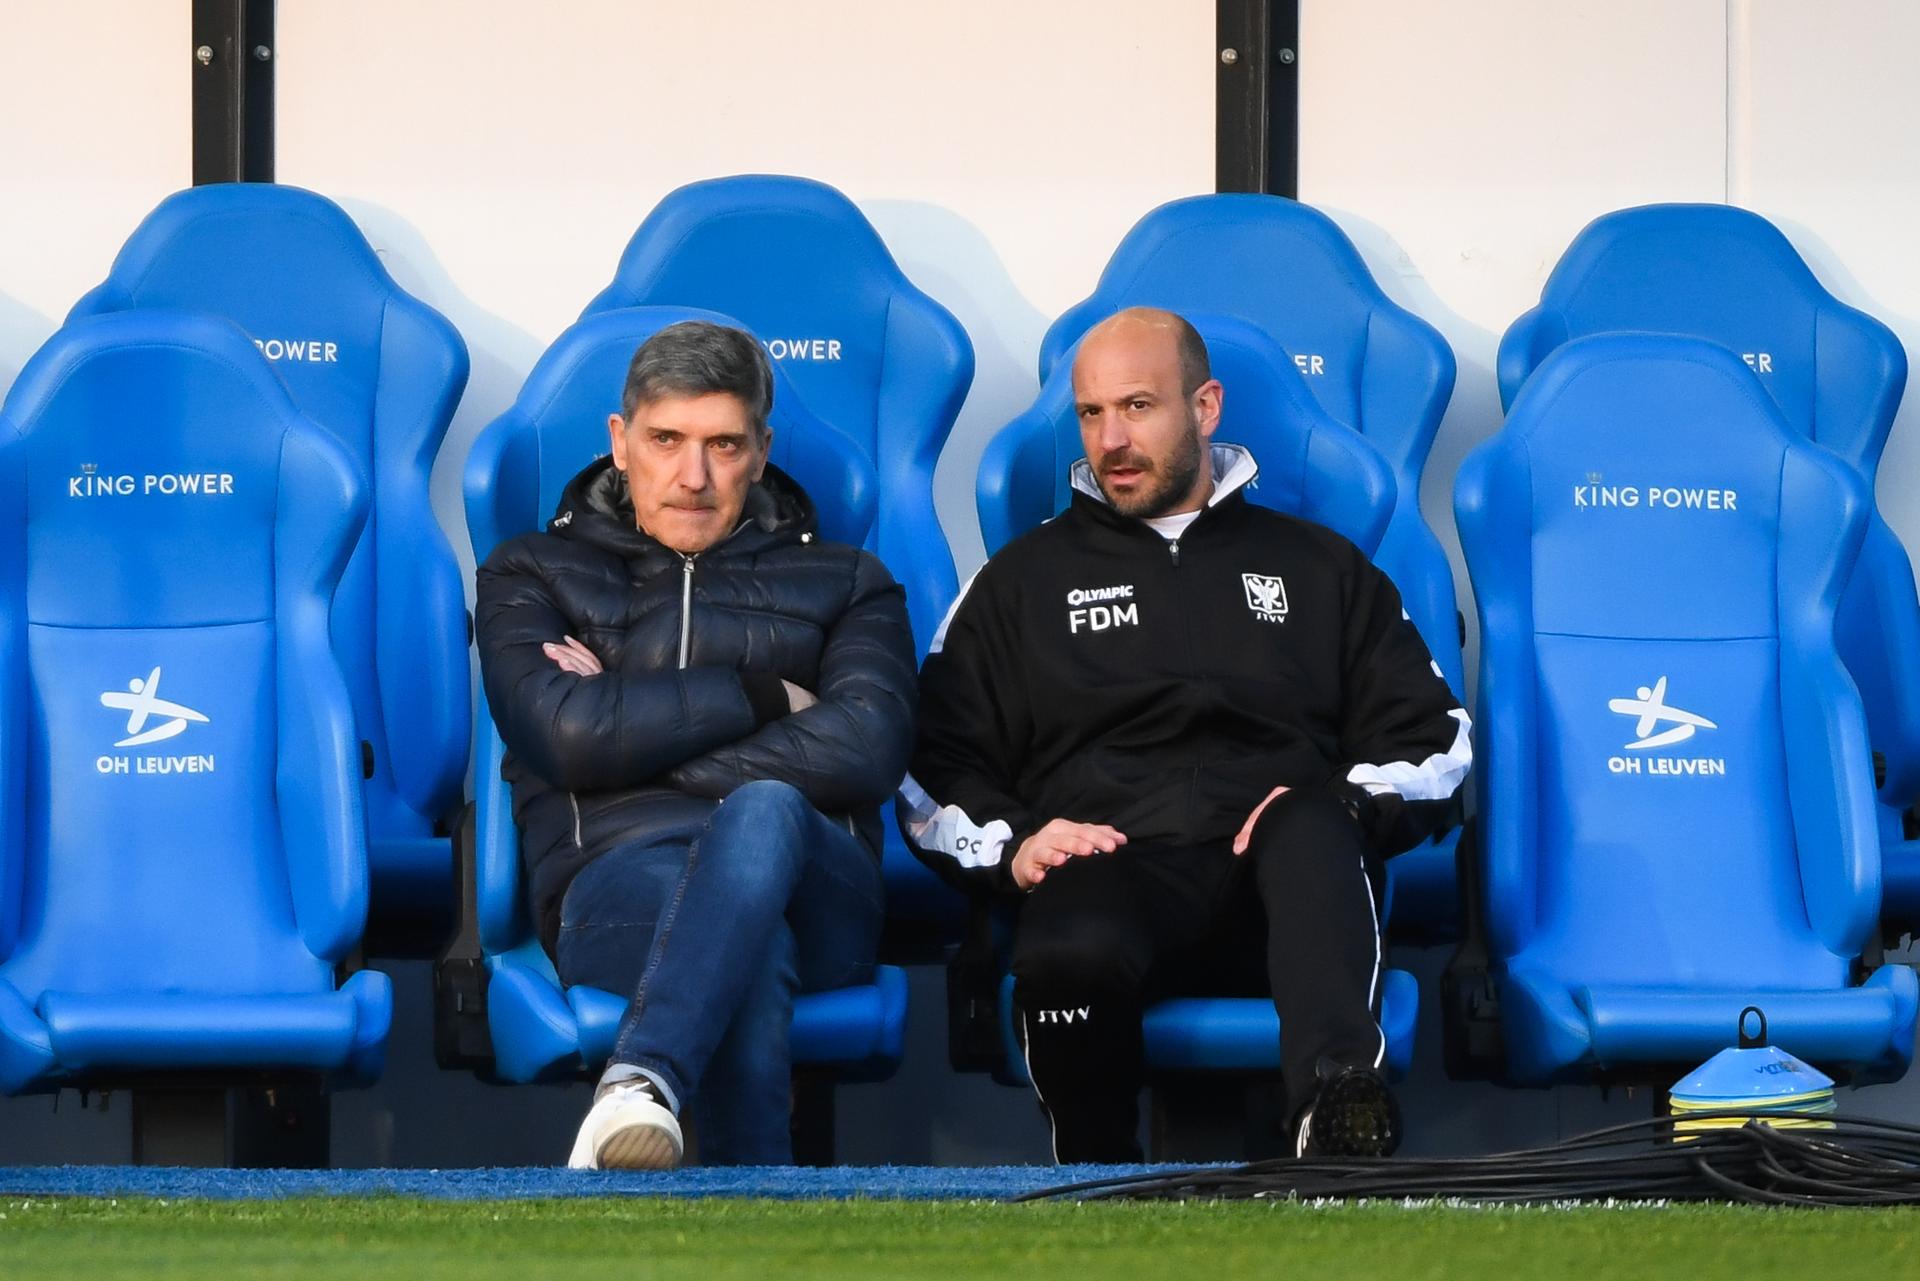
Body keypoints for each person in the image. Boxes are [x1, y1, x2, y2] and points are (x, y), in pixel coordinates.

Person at [903, 307, 1470, 1161]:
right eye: (1092, 413)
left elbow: (1437, 739)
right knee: (1067, 934)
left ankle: (1337, 1117)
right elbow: (931, 757)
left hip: (1282, 890)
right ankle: (1097, 1182)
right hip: (1113, 873)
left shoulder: (1320, 568)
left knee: (1316, 824)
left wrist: (1347, 803)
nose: (1111, 439)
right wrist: (1014, 843)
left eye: (1137, 406)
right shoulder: (1020, 582)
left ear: (1205, 407)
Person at [475, 320, 916, 1169]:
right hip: (615, 882)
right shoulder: (529, 572)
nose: (693, 475)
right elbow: (565, 735)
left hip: (816, 886)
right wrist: (762, 696)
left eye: (723, 443)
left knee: (766, 808)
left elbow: (867, 743)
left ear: (761, 450)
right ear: (619, 440)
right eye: (666, 439)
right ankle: (755, 1226)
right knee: (746, 954)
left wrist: (627, 736)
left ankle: (638, 1082)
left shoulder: (850, 580)